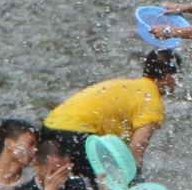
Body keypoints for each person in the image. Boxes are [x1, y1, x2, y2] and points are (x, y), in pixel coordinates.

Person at [43, 49, 181, 174]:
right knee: (103, 185)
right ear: (169, 77)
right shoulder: (151, 99)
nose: (177, 84)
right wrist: (135, 183)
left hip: (50, 125)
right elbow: (136, 148)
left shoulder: (126, 85)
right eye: (178, 78)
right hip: (77, 133)